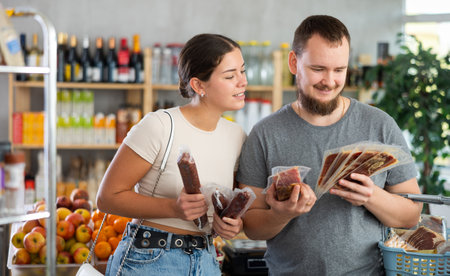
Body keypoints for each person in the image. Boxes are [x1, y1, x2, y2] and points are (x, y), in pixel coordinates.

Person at [236, 15, 423, 276]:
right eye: (318, 69)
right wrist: (281, 214)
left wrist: (371, 197)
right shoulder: (265, 133)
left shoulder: (380, 126)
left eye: (339, 70)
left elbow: (411, 216)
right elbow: (250, 225)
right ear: (294, 62)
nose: (330, 81)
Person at [97, 33, 247, 276]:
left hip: (206, 259)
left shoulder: (237, 136)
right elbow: (106, 198)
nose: (242, 82)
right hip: (149, 257)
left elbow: (227, 205)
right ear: (199, 85)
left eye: (242, 71)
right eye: (230, 76)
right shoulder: (160, 125)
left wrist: (230, 224)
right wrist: (173, 208)